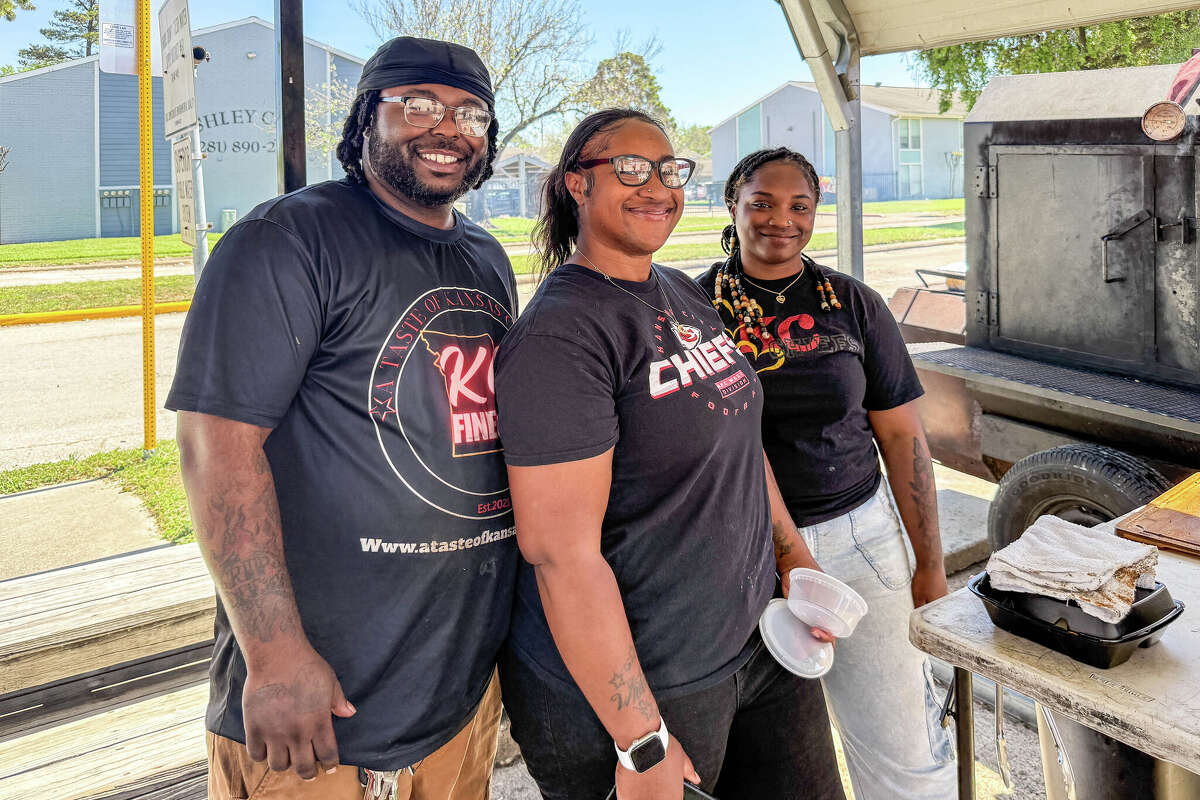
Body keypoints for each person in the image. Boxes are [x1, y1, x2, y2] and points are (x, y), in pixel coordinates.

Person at [168, 37, 519, 800]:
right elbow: (215, 449)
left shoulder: (488, 258)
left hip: (457, 699)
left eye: (471, 114)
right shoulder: (286, 240)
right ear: (365, 122)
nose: (448, 128)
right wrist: (273, 652)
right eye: (417, 105)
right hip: (317, 709)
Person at [492, 110, 847, 800]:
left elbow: (740, 442)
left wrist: (794, 558)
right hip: (652, 683)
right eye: (628, 168)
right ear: (576, 185)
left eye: (668, 168)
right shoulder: (561, 337)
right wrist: (641, 738)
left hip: (758, 647)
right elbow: (561, 555)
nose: (656, 185)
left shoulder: (680, 292)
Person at [697, 147, 957, 799]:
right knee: (773, 757)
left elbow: (903, 439)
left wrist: (929, 565)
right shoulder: (694, 308)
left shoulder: (854, 304)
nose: (780, 219)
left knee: (901, 744)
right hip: (740, 553)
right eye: (761, 202)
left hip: (858, 542)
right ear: (733, 206)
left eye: (799, 205)